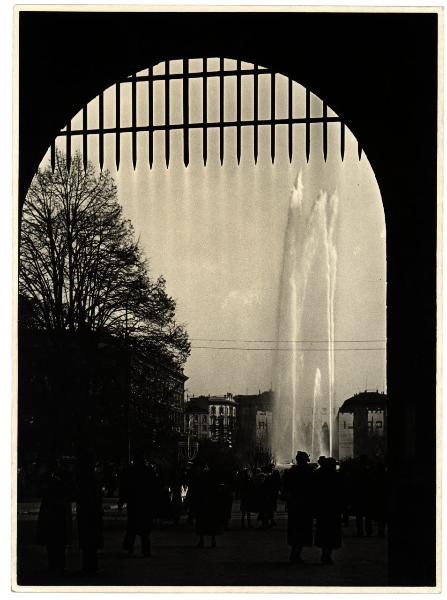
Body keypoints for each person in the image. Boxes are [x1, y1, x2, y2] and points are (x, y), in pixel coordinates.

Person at [36, 457, 74, 575]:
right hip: (58, 513)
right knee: (58, 542)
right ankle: (59, 565)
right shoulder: (59, 478)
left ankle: (55, 565)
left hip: (53, 513)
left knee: (53, 542)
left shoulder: (50, 479)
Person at [119, 457, 157, 557]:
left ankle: (129, 546)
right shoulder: (148, 471)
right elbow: (154, 487)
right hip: (145, 503)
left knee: (132, 527)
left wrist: (122, 501)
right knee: (144, 529)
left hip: (134, 503)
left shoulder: (131, 472)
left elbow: (125, 487)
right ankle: (145, 550)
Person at [282, 451, 314, 564]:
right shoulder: (308, 472)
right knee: (302, 529)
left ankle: (294, 553)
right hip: (304, 505)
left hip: (294, 505)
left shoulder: (291, 472)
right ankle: (296, 554)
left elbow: (285, 489)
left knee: (295, 529)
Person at [75, 454, 104, 575]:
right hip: (93, 512)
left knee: (87, 541)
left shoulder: (83, 479)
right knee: (91, 542)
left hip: (87, 512)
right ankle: (92, 566)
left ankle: (88, 566)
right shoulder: (94, 479)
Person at [313, 457, 343, 565]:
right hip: (333, 508)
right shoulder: (336, 476)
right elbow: (341, 492)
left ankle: (325, 553)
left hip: (322, 508)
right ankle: (327, 554)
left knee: (323, 530)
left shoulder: (318, 475)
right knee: (331, 532)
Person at [194, 464, 226, 548]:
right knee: (211, 522)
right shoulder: (213, 479)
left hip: (206, 503)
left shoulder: (202, 478)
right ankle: (211, 540)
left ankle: (204, 541)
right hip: (211, 504)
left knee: (204, 522)